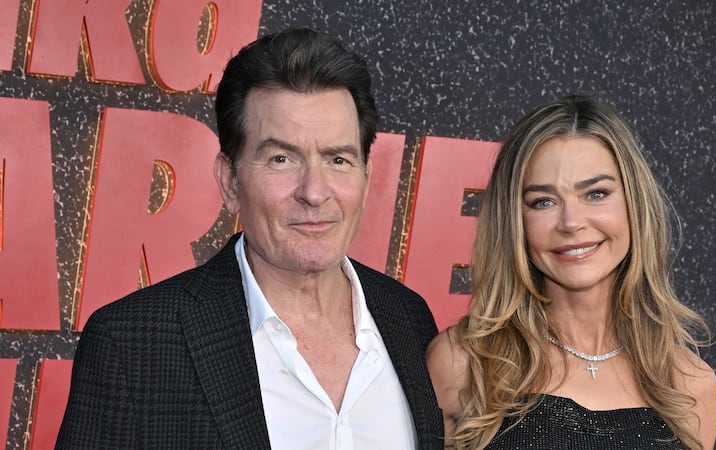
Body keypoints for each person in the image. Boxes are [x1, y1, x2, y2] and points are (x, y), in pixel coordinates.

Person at [57, 27, 443, 449]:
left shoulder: (409, 320)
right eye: (281, 159)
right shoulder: (133, 345)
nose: (314, 192)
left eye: (338, 159)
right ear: (230, 181)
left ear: (366, 178)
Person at [426, 95, 716, 450]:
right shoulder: (463, 363)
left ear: (634, 204)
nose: (571, 222)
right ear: (514, 221)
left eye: (595, 194)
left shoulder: (690, 384)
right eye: (543, 202)